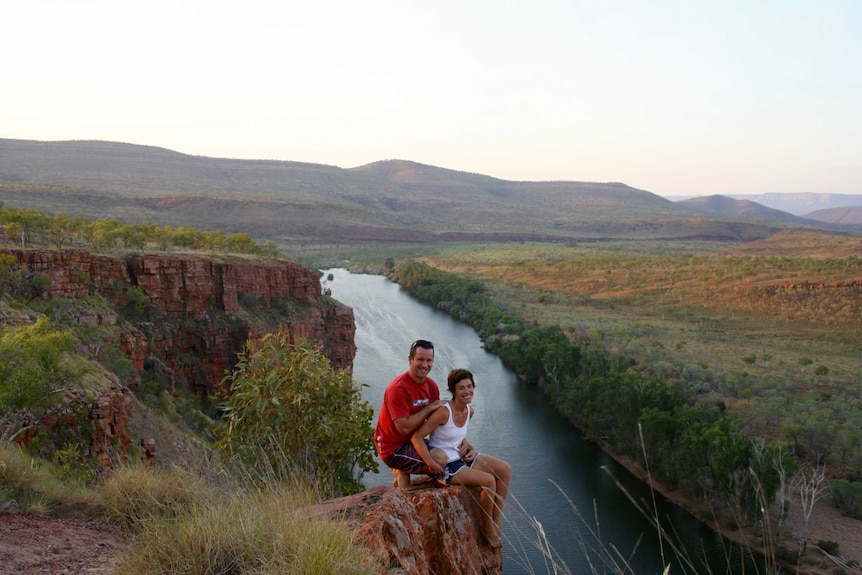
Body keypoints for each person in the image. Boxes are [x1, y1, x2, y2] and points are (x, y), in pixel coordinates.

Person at [411, 368, 512, 549]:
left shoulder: (469, 411)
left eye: (470, 386)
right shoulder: (443, 412)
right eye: (462, 388)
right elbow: (417, 437)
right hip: (446, 464)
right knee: (489, 481)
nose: (467, 392)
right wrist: (431, 464)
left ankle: (496, 517)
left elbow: (455, 436)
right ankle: (487, 528)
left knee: (505, 469)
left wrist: (469, 445)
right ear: (453, 391)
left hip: (461, 457)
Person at [374, 339, 447, 488]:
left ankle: (402, 470)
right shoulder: (398, 388)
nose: (425, 365)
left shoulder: (431, 386)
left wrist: (461, 442)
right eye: (420, 360)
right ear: (410, 359)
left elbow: (435, 421)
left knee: (450, 454)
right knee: (439, 460)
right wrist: (428, 408)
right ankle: (401, 469)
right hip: (392, 446)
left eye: (429, 360)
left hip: (412, 441)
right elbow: (404, 428)